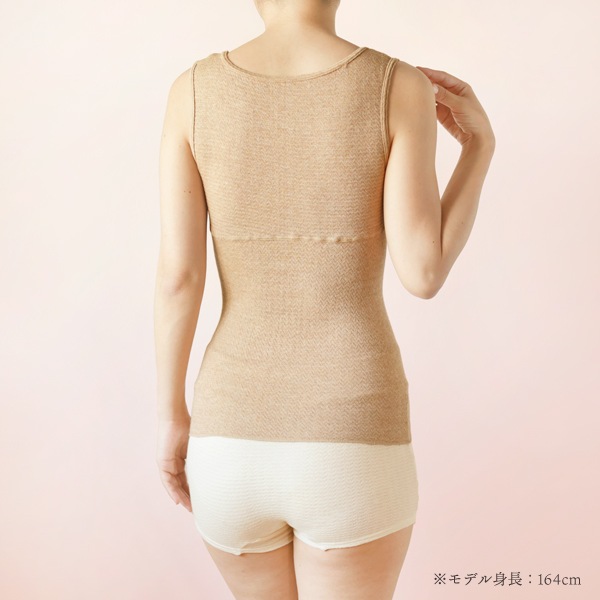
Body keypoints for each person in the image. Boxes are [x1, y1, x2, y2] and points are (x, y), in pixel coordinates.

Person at [154, 0, 495, 598]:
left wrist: (172, 417)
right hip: (353, 435)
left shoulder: (193, 90)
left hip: (228, 436)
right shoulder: (396, 85)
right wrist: (478, 147)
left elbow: (179, 277)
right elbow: (423, 273)